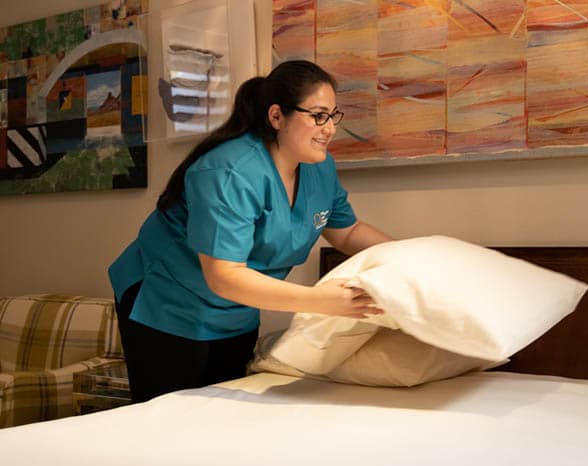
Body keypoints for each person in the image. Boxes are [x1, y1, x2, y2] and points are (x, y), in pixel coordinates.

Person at [109, 60, 392, 402]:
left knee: (227, 415)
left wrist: (414, 255)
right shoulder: (229, 171)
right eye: (318, 115)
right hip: (170, 301)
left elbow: (348, 232)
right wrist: (321, 301)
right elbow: (224, 276)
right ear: (276, 117)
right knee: (174, 421)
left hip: (237, 308)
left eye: (333, 116)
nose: (329, 128)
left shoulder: (319, 168)